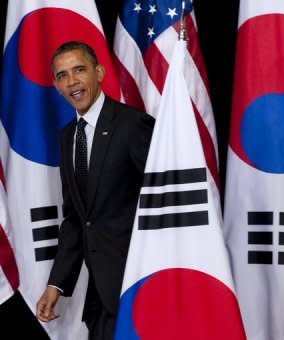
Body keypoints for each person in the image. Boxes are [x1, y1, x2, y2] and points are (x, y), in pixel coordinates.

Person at [36, 41, 154, 340]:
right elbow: (77, 218)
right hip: (99, 297)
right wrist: (56, 284)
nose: (72, 81)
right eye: (62, 75)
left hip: (138, 288)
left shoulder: (133, 125)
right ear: (56, 85)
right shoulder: (67, 137)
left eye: (79, 70)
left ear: (98, 72)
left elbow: (158, 206)